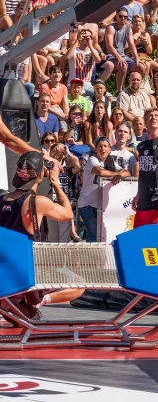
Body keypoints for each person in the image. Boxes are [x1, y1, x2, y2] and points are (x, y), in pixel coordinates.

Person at [0, 151, 84, 319]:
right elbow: (68, 214)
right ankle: (39, 300)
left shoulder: (1, 198)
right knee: (79, 285)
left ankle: (17, 303)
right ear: (40, 176)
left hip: (4, 277)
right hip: (25, 279)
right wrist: (55, 182)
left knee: (28, 315)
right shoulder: (37, 203)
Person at [78, 137, 131, 241]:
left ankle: (89, 256)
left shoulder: (111, 161)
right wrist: (117, 174)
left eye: (105, 146)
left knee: (96, 238)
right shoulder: (92, 159)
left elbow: (128, 173)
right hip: (87, 205)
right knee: (95, 238)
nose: (102, 149)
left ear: (110, 149)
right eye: (100, 147)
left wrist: (119, 176)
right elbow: (101, 172)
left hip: (101, 206)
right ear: (96, 149)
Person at [100, 8, 139, 91]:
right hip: (110, 55)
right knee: (123, 65)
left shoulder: (128, 29)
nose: (123, 18)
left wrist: (137, 58)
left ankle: (137, 90)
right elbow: (109, 46)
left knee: (141, 66)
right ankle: (119, 90)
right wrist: (119, 58)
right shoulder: (111, 28)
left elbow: (132, 45)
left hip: (122, 56)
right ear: (116, 17)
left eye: (125, 17)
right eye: (121, 16)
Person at [129, 14, 158, 82]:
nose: (138, 23)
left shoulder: (146, 34)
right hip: (134, 57)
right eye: (135, 21)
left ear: (142, 23)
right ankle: (145, 86)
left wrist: (146, 43)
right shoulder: (130, 34)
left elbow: (150, 51)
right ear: (132, 23)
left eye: (139, 21)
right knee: (146, 65)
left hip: (145, 57)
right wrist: (136, 43)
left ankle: (156, 86)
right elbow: (126, 51)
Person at [66, 28, 101, 93]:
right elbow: (68, 57)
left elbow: (98, 60)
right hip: (73, 83)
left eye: (88, 37)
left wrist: (90, 45)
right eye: (83, 37)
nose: (85, 39)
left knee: (104, 95)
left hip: (86, 84)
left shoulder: (93, 51)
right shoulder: (74, 50)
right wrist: (77, 41)